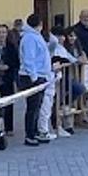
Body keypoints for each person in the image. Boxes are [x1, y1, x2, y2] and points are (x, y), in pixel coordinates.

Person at [18, 12, 52, 146]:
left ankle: (36, 131)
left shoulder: (35, 37)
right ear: (39, 24)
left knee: (37, 106)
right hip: (31, 77)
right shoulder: (30, 38)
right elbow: (29, 59)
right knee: (32, 107)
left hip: (40, 75)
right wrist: (34, 77)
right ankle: (29, 135)